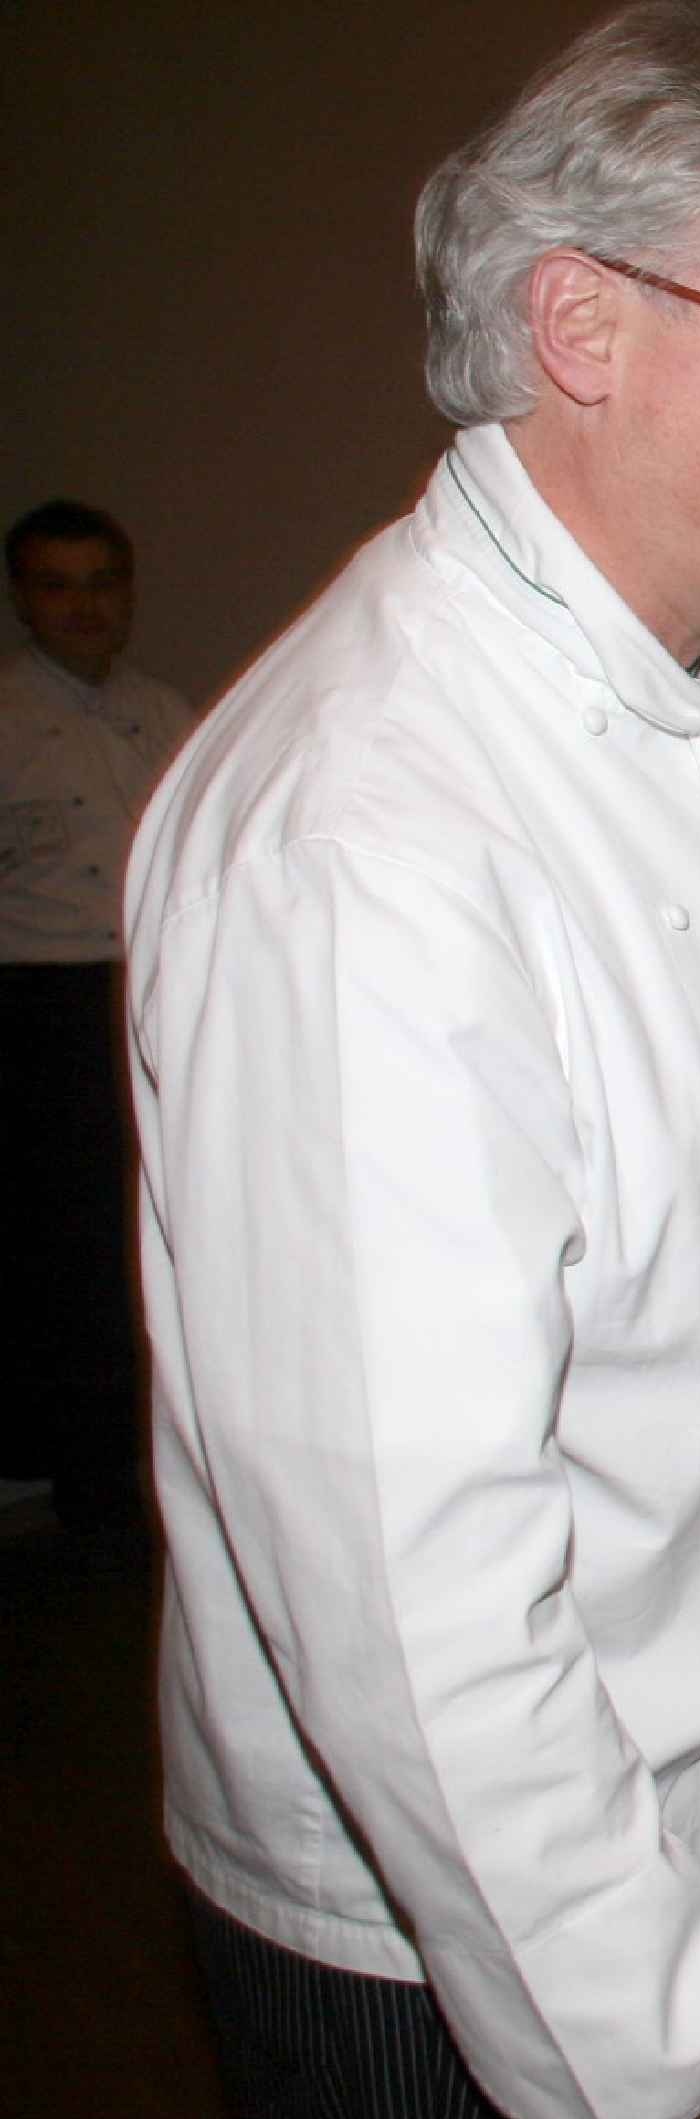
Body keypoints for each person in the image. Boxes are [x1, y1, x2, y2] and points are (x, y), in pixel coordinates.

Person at [124, 9, 700, 2119]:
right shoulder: (372, 830)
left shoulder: (691, 702)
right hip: (457, 1917)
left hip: (685, 1797)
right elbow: (404, 1587)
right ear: (585, 325)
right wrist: (692, 2064)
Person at [2, 498, 193, 1543]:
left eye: (101, 584)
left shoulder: (162, 712)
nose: (83, 607)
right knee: (63, 1253)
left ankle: (148, 1468)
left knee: (151, 1233)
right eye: (57, 586)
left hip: (146, 995)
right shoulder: (6, 720)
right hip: (38, 1007)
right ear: (23, 600)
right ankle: (80, 1484)